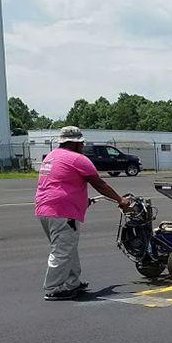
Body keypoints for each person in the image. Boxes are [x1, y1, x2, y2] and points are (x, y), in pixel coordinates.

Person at [35, 126, 130, 301]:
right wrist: (120, 200)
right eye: (81, 143)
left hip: (45, 209)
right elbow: (99, 184)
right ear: (75, 143)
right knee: (62, 250)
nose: (83, 146)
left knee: (68, 247)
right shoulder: (78, 159)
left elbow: (59, 182)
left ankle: (72, 283)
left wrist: (81, 200)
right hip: (62, 212)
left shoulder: (51, 156)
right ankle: (54, 288)